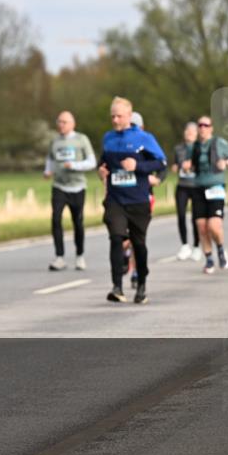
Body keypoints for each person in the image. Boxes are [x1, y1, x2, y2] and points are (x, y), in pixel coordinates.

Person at [97, 97, 166, 304]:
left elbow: (161, 163)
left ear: (129, 115)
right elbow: (104, 163)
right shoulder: (108, 138)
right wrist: (101, 171)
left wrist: (137, 166)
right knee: (116, 238)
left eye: (119, 116)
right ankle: (117, 286)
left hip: (138, 199)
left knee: (138, 243)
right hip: (115, 198)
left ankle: (142, 283)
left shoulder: (144, 138)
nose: (115, 120)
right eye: (112, 116)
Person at [182, 115, 228, 274]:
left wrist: (225, 163)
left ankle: (220, 249)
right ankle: (209, 259)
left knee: (214, 225)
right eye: (200, 125)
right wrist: (187, 167)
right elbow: (191, 165)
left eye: (206, 125)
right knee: (201, 226)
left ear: (211, 127)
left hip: (216, 187)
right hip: (198, 187)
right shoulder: (194, 147)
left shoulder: (219, 143)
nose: (202, 128)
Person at [43, 111, 96, 271]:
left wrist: (74, 165)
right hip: (59, 186)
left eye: (64, 122)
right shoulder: (55, 141)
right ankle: (59, 257)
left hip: (78, 187)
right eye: (59, 122)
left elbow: (92, 162)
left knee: (78, 222)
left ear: (73, 124)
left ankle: (80, 256)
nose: (61, 125)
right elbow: (50, 159)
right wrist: (48, 171)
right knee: (56, 220)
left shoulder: (81, 139)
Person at [171, 122, 201, 261]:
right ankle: (184, 245)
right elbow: (175, 164)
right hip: (182, 186)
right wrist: (176, 167)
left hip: (196, 186)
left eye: (192, 131)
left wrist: (192, 166)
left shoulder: (200, 148)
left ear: (197, 133)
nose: (189, 133)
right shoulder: (178, 148)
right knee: (181, 216)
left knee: (196, 217)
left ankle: (196, 246)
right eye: (187, 130)